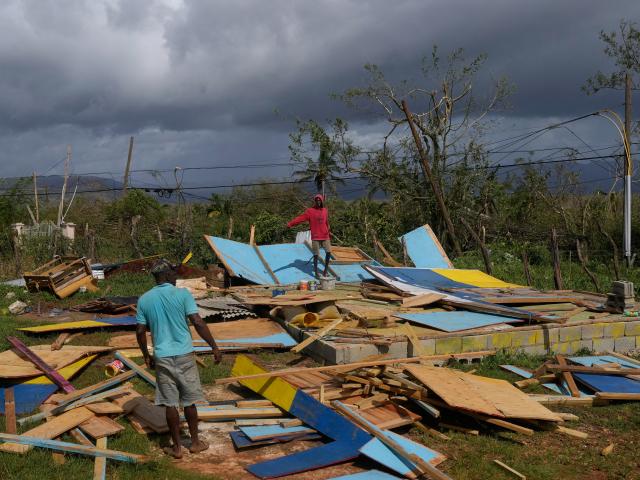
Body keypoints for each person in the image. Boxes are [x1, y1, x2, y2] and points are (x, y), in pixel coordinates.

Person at [135, 259, 222, 459]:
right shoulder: (183, 294)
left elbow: (140, 330)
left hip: (162, 356)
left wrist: (146, 355)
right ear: (164, 275)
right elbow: (197, 322)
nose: (176, 276)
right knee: (190, 401)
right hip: (184, 354)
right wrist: (214, 347)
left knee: (170, 404)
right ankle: (195, 443)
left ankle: (177, 448)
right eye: (172, 273)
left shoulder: (144, 300)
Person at [287, 193, 332, 278]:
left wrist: (328, 231)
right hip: (316, 236)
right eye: (316, 200)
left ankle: (325, 271)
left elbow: (326, 222)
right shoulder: (310, 211)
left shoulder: (325, 210)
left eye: (319, 200)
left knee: (329, 252)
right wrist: (290, 223)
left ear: (322, 201)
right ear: (315, 201)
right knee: (316, 255)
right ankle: (315, 272)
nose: (318, 202)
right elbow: (300, 218)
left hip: (325, 236)